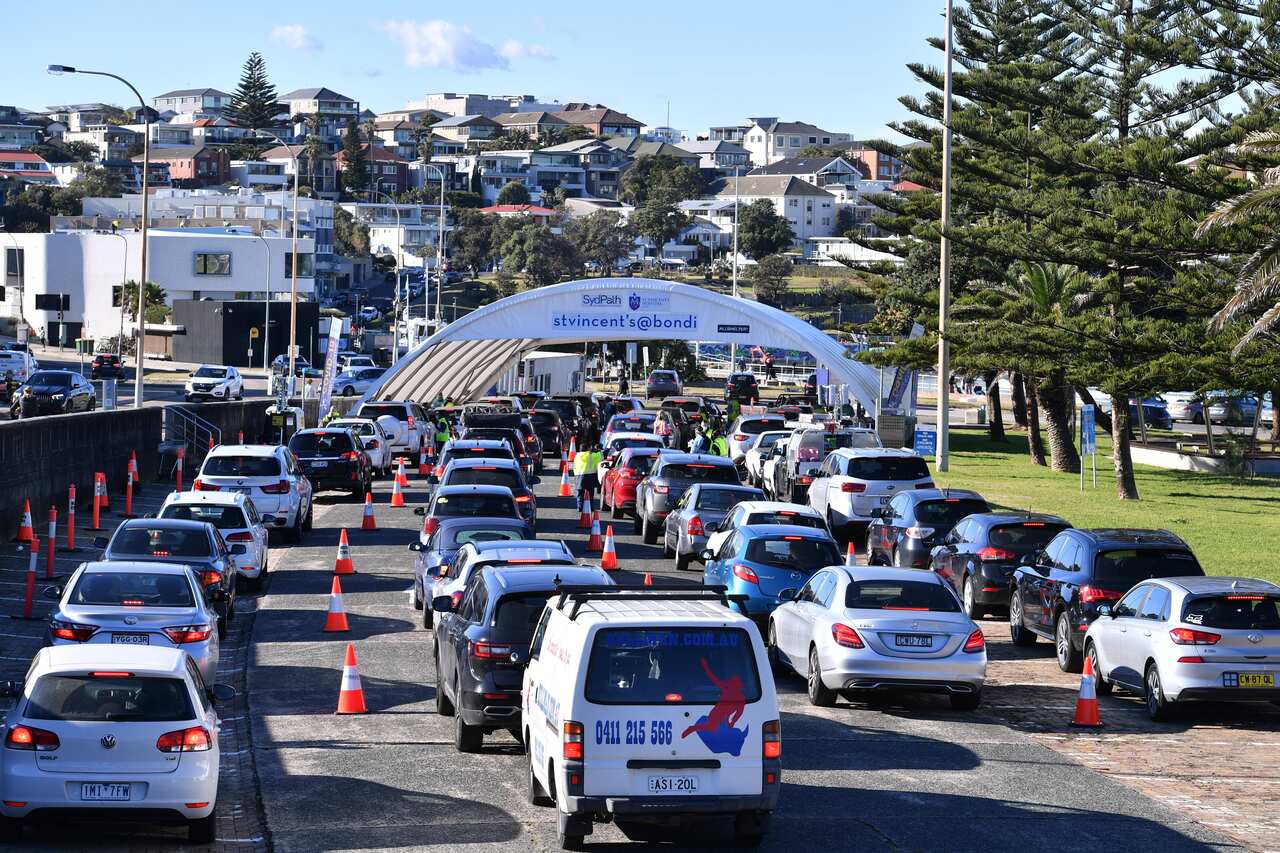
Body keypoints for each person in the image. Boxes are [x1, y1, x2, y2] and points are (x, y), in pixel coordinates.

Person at [573, 439, 603, 511]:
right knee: (590, 493)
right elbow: (601, 457)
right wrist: (597, 450)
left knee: (580, 492)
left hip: (579, 475)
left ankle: (579, 506)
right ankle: (591, 507)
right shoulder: (591, 455)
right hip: (590, 476)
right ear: (587, 449)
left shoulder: (577, 456)